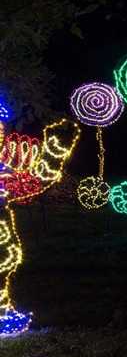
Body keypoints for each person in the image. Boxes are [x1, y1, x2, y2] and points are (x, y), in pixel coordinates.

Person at [0, 115, 79, 335]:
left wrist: (55, 151)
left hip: (2, 238)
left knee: (3, 268)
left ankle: (2, 309)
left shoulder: (5, 172)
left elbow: (35, 180)